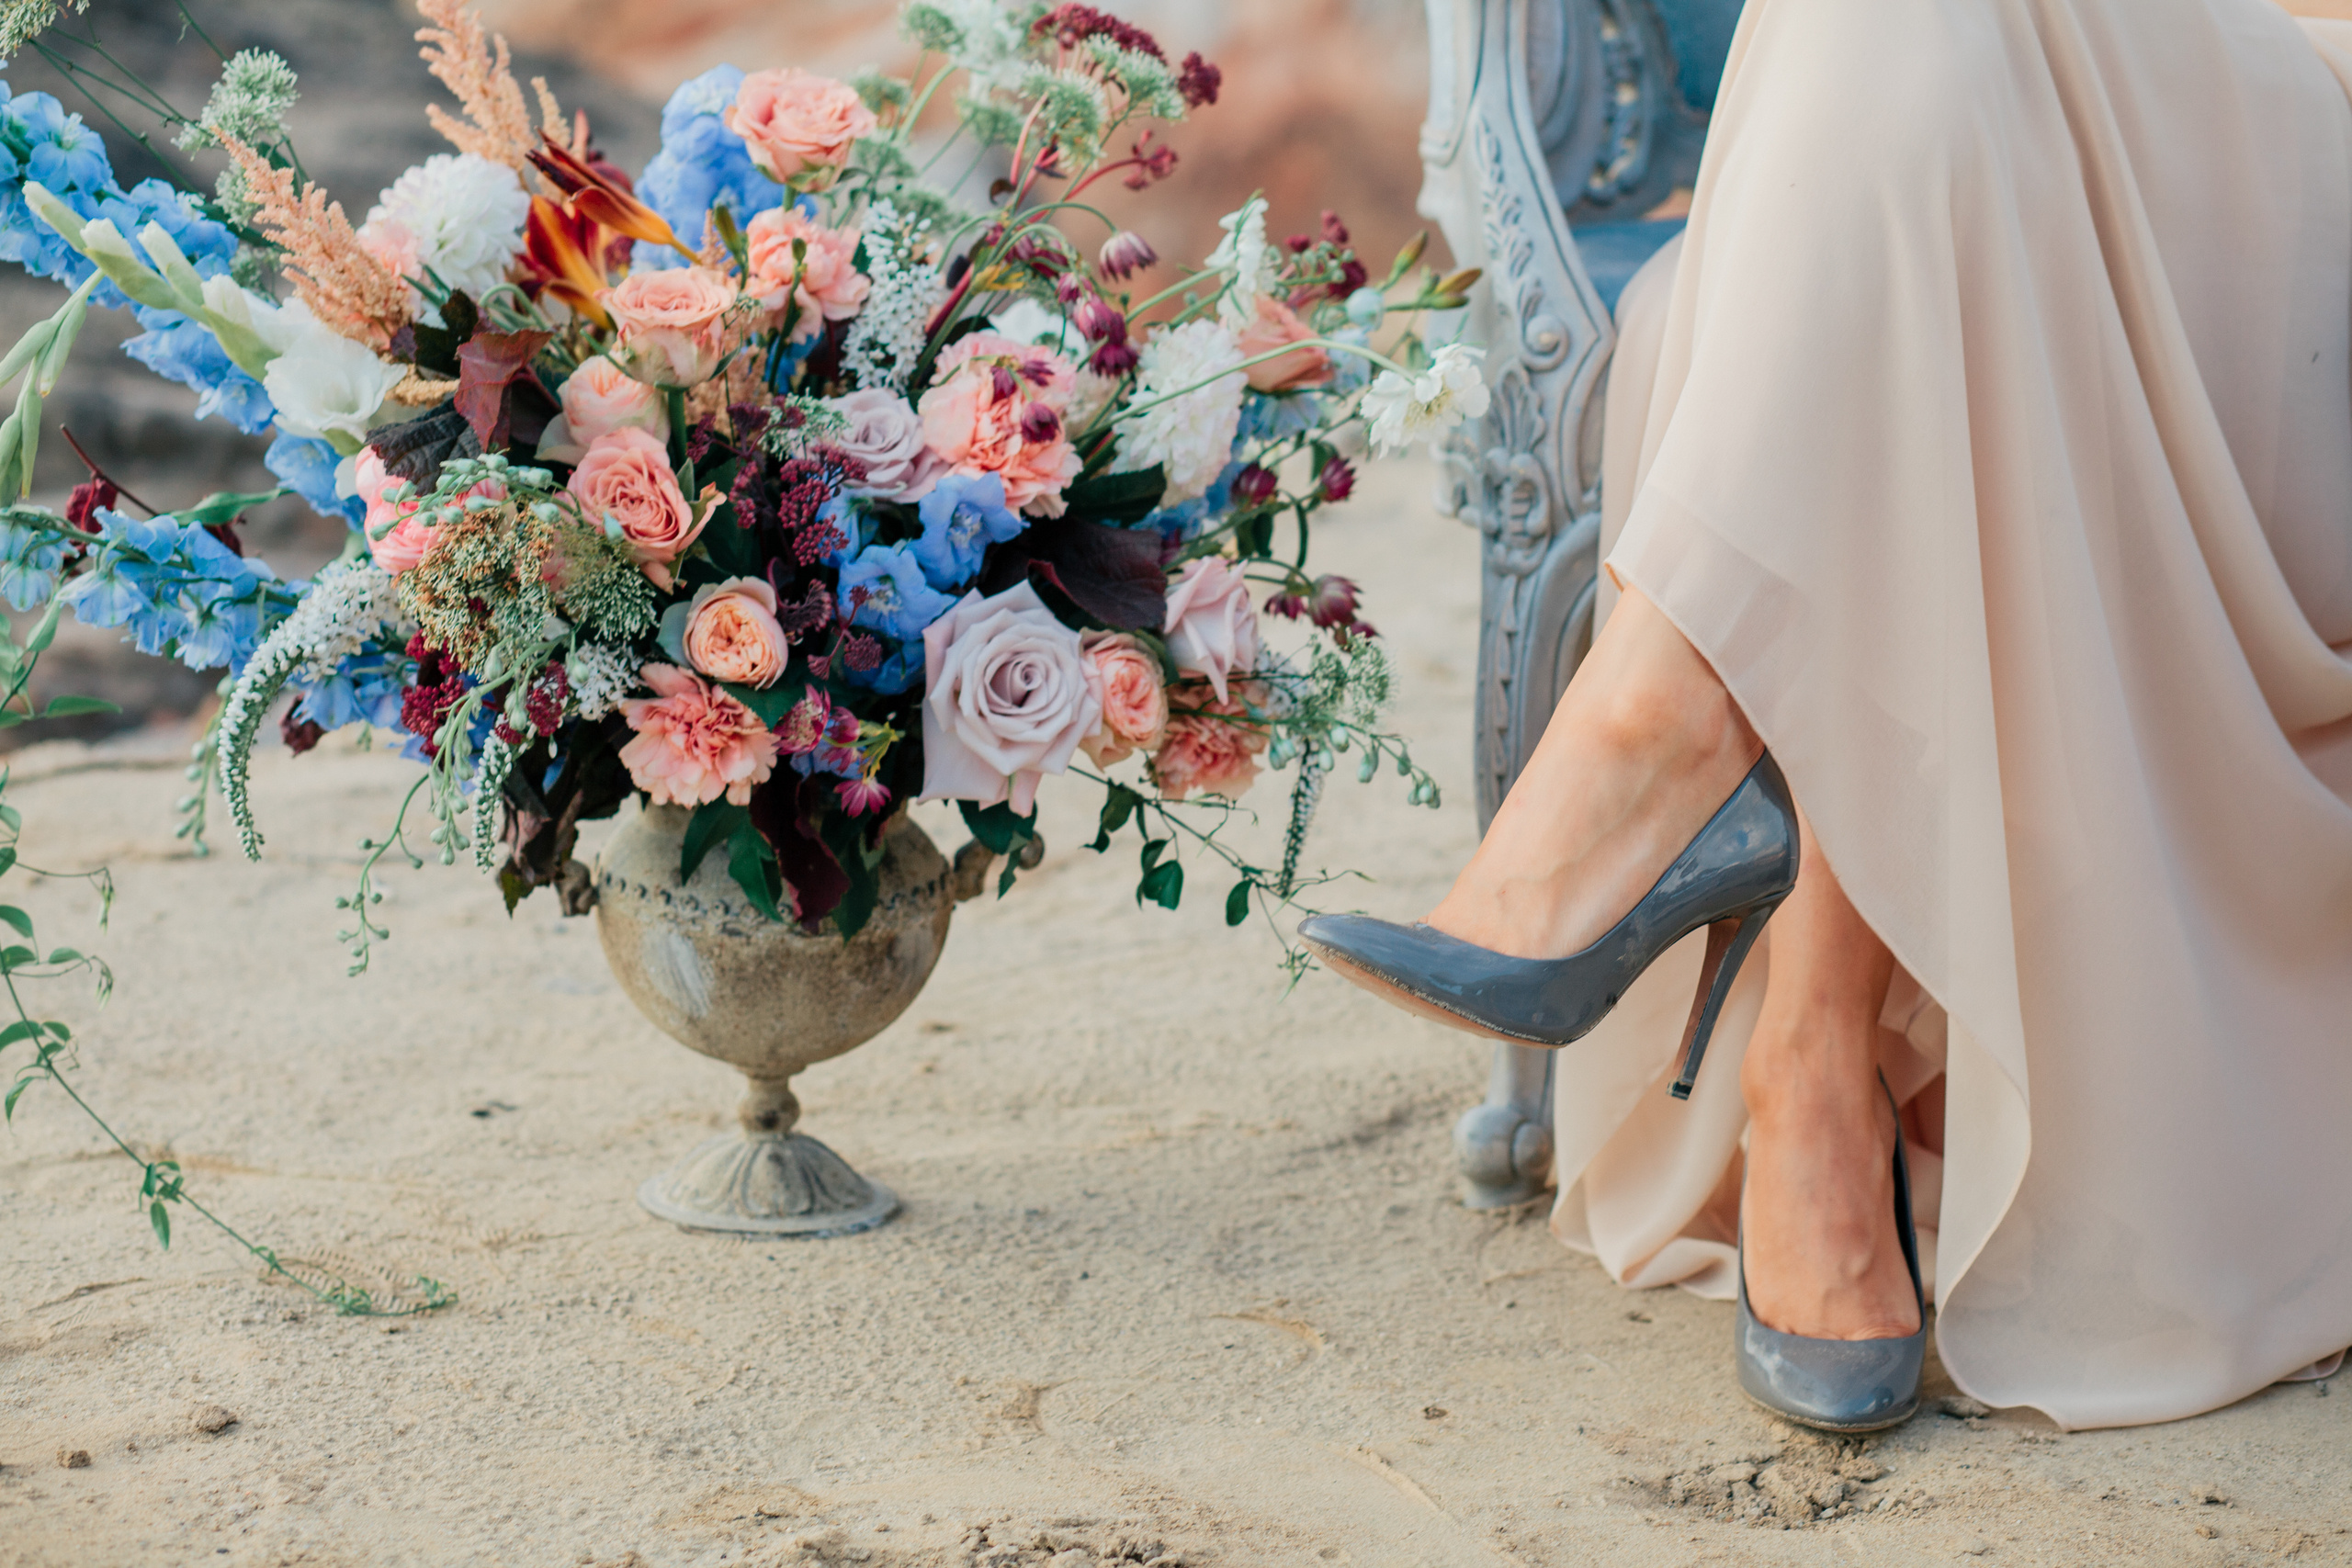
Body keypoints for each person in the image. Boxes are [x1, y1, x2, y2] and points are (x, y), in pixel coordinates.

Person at [1304, 0, 2352, 1432]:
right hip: (1984, 92)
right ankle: (1804, 1040)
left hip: (2287, 109)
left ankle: (1677, 763)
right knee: (1895, 147)